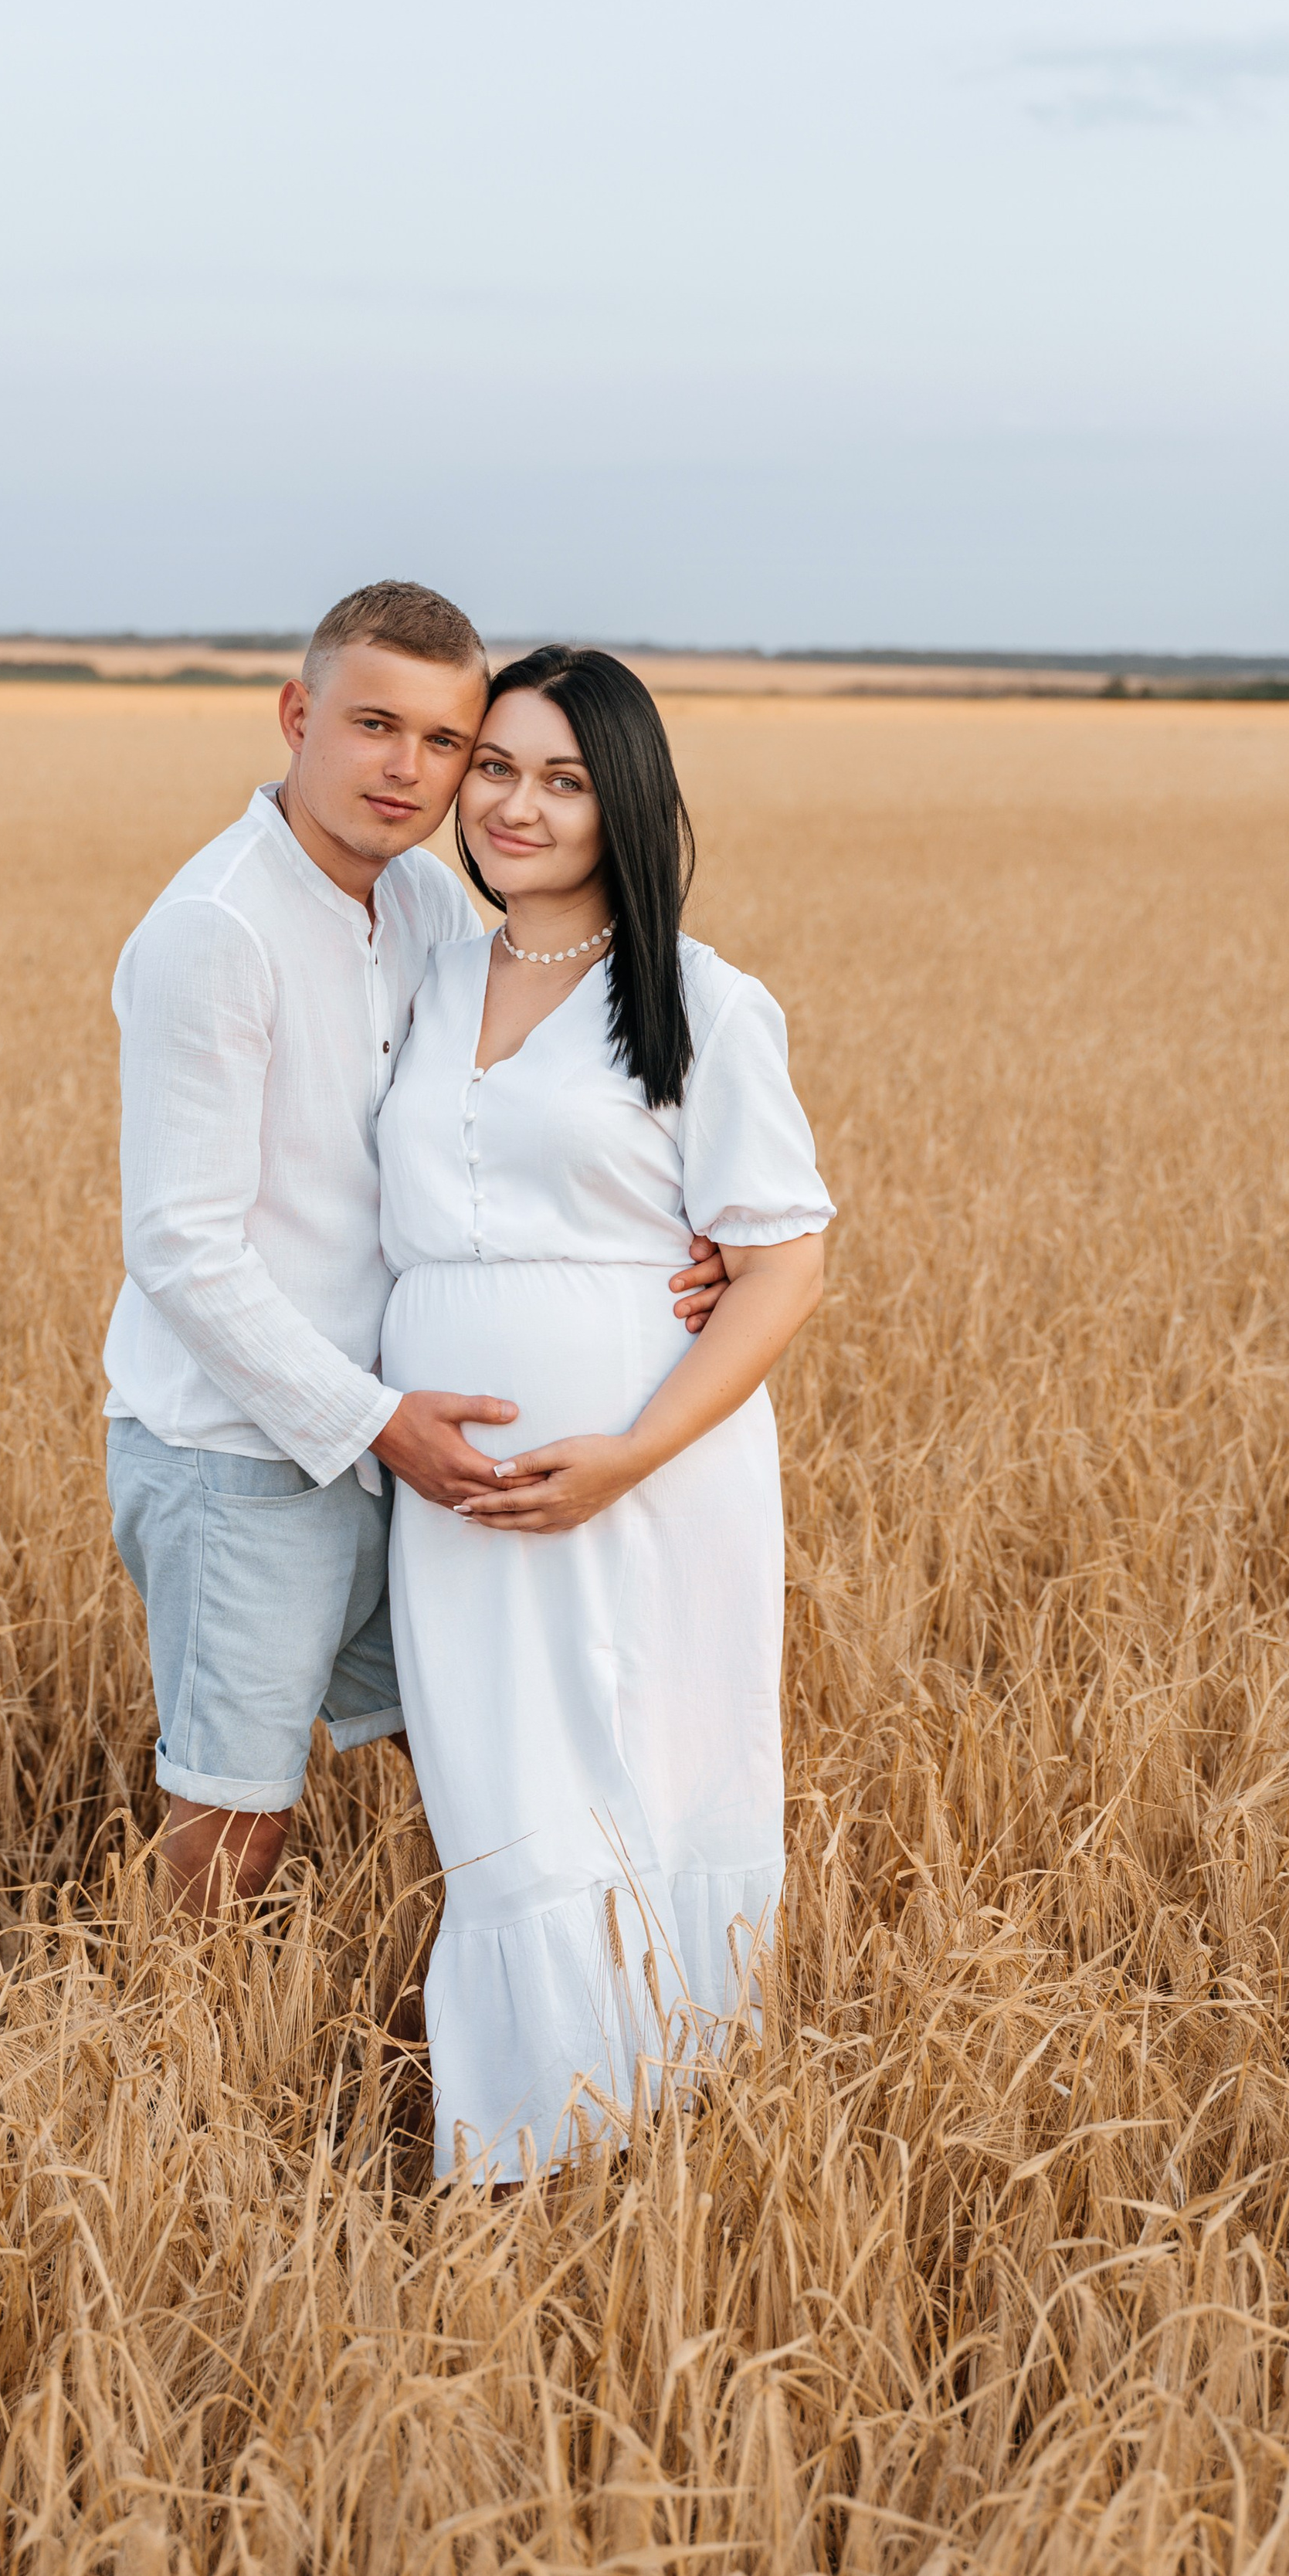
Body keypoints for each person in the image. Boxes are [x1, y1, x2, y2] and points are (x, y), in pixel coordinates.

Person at [102, 586, 728, 1913]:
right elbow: (180, 1246)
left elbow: (517, 1131)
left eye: (446, 742)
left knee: (454, 1763)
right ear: (296, 715)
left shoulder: (439, 916)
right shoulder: (216, 932)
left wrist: (683, 1252)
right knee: (235, 1819)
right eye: (374, 724)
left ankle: (454, 2021)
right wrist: (383, 1424)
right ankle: (155, 2082)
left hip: (411, 1449)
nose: (408, 769)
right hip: (244, 1454)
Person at [377, 646, 834, 2181]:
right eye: (493, 766)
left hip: (646, 1475)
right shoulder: (427, 972)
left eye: (562, 780)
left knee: (648, 1765)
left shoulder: (698, 995)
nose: (514, 804)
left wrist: (626, 1454)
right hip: (450, 1492)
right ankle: (524, 2147)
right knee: (503, 1801)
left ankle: (658, 2143)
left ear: (620, 799)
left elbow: (778, 1267)